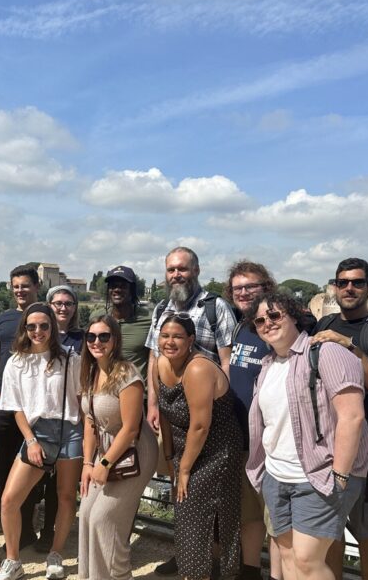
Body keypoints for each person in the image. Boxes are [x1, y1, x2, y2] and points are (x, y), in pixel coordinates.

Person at [245, 292, 368, 580]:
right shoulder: (267, 365)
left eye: (275, 315)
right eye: (260, 320)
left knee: (306, 561)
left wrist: (339, 476)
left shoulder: (327, 352)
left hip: (319, 476)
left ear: (294, 316)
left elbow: (352, 416)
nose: (267, 323)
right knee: (287, 557)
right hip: (277, 476)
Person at [310, 258, 368, 580]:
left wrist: (347, 345)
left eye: (357, 282)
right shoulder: (322, 325)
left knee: (367, 527)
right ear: (335, 288)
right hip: (326, 445)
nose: (349, 288)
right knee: (330, 527)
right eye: (342, 282)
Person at [147, 247, 238, 576]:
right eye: (171, 269)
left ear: (196, 270)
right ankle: (190, 559)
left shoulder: (215, 308)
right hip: (182, 421)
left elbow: (227, 361)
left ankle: (208, 566)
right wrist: (153, 404)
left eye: (182, 269)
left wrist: (224, 398)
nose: (176, 275)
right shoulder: (161, 309)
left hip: (211, 422)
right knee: (187, 504)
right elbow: (153, 360)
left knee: (206, 505)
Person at [0, 303, 82, 580]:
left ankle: (55, 555)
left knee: (66, 496)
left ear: (52, 328)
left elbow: (81, 399)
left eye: (44, 325)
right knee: (9, 500)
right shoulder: (16, 361)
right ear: (24, 328)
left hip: (70, 429)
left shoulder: (70, 357)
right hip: (37, 433)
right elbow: (16, 406)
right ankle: (13, 560)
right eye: (31, 326)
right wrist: (31, 440)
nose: (38, 331)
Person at [156, 313, 243, 580]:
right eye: (165, 336)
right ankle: (196, 571)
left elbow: (200, 425)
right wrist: (171, 456)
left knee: (195, 515)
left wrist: (183, 470)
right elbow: (165, 413)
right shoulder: (162, 362)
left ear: (191, 340)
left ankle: (200, 573)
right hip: (188, 449)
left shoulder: (198, 368)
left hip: (217, 450)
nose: (170, 342)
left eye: (178, 337)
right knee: (187, 516)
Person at [77, 315, 158, 580]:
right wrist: (88, 464)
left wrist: (104, 464)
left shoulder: (127, 373)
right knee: (87, 514)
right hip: (105, 452)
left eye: (103, 336)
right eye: (91, 336)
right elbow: (90, 422)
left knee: (106, 519)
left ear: (115, 340)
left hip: (134, 452)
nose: (96, 342)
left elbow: (131, 428)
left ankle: (117, 575)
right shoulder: (89, 372)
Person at [225, 260, 280, 580]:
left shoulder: (274, 326)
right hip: (241, 435)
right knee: (249, 512)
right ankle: (250, 570)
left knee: (274, 516)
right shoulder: (239, 326)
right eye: (238, 288)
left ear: (266, 288)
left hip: (271, 438)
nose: (243, 292)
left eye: (251, 286)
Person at [27, 284, 84, 552]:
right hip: (37, 420)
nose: (63, 308)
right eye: (57, 303)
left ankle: (50, 535)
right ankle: (27, 531)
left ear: (75, 308)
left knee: (58, 488)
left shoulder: (83, 338)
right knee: (31, 481)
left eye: (68, 303)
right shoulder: (36, 336)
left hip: (69, 421)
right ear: (49, 306)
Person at [0, 264, 42, 550]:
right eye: (16, 286)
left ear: (37, 286)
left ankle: (28, 526)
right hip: (5, 403)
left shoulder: (43, 317)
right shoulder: (4, 318)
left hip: (35, 404)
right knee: (4, 462)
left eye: (25, 285)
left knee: (32, 463)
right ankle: (8, 521)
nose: (20, 290)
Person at [90, 265, 149, 376]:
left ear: (132, 290)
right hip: (105, 388)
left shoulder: (148, 319)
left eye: (123, 286)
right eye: (113, 286)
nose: (117, 290)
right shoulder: (97, 317)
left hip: (137, 389)